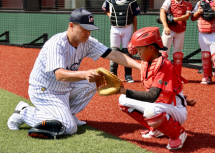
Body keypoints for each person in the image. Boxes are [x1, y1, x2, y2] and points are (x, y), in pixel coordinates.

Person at [7, 8, 141, 135]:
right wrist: (84, 74)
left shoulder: (87, 42)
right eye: (84, 29)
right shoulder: (57, 43)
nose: (88, 33)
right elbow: (59, 75)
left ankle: (67, 113)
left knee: (96, 78)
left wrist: (141, 67)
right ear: (72, 26)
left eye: (90, 29)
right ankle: (24, 112)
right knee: (69, 127)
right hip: (44, 91)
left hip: (64, 89)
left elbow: (114, 55)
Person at [118, 27, 196, 150]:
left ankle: (178, 134)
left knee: (150, 110)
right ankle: (155, 129)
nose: (138, 53)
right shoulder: (148, 62)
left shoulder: (164, 65)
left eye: (140, 49)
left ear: (151, 48)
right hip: (162, 105)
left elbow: (152, 96)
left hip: (175, 109)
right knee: (123, 100)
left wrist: (124, 90)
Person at [191, 0, 215, 85]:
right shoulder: (200, 2)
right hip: (202, 34)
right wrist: (198, 12)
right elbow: (193, 18)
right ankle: (207, 76)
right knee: (205, 56)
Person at [102, 0, 141, 83]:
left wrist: (135, 31)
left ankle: (128, 75)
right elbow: (105, 9)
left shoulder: (132, 1)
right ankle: (113, 75)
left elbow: (134, 16)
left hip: (128, 28)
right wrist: (111, 16)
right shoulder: (109, 1)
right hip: (115, 29)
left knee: (127, 52)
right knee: (114, 52)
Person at [160, 0, 192, 79]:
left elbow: (187, 16)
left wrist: (173, 19)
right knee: (162, 54)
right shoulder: (168, 1)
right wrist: (166, 26)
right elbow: (162, 12)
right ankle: (161, 75)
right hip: (169, 30)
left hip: (181, 30)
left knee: (178, 55)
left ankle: (176, 76)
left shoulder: (187, 3)